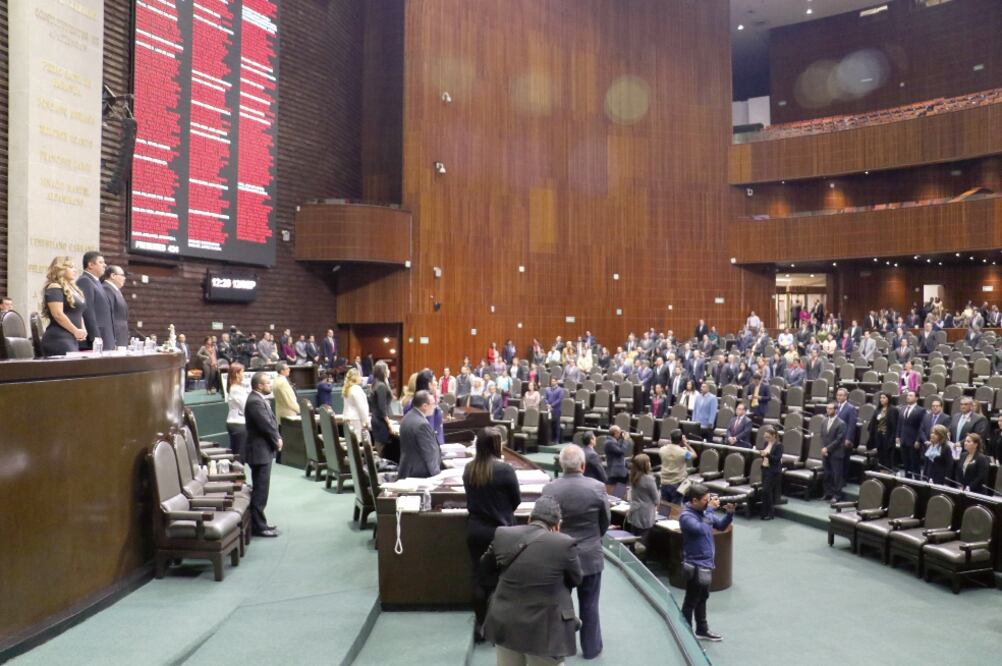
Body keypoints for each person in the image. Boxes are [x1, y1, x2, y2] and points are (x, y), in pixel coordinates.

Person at [481, 496, 581, 665]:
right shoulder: (564, 544)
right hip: (544, 630)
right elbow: (576, 579)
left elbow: (485, 568)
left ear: (529, 519)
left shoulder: (503, 534)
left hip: (506, 622)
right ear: (557, 526)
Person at [541, 445, 610, 660]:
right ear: (583, 465)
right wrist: (592, 538)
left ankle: (558, 648)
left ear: (561, 465)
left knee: (558, 605)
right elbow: (605, 522)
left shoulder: (550, 489)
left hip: (559, 556)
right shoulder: (597, 487)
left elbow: (545, 522)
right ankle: (591, 649)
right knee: (589, 605)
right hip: (590, 555)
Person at [463, 427, 521, 642]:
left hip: (476, 531)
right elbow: (516, 501)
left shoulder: (469, 469)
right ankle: (500, 627)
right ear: (497, 445)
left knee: (478, 577)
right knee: (502, 579)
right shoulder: (505, 470)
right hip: (502, 532)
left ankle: (480, 626)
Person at [679, 484, 735, 641]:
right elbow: (701, 529)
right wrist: (710, 510)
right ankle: (685, 633)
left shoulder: (704, 513)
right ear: (694, 500)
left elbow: (721, 526)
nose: (708, 502)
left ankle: (702, 630)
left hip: (705, 564)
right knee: (691, 600)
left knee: (702, 598)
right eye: (705, 500)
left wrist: (729, 514)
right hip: (695, 565)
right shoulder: (686, 516)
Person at [244, 372, 282, 537]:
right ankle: (258, 526)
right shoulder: (254, 401)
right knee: (260, 490)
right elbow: (266, 424)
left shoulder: (257, 399)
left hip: (263, 450)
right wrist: (277, 438)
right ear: (259, 385)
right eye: (267, 383)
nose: (270, 385)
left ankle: (260, 523)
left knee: (262, 489)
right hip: (259, 452)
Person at [40, 256, 88, 356]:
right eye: (70, 267)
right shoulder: (54, 287)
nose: (74, 270)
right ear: (61, 269)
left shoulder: (72, 288)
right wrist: (75, 330)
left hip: (71, 338)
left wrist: (82, 330)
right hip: (58, 339)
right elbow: (57, 314)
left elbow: (78, 312)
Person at [75, 251, 116, 349]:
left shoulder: (96, 282)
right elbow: (88, 311)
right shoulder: (84, 281)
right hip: (97, 339)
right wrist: (95, 337)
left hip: (106, 336)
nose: (105, 265)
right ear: (90, 265)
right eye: (101, 262)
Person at [397, 390, 442, 478]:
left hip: (407, 470)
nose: (435, 407)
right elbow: (429, 454)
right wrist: (437, 477)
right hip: (419, 475)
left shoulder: (407, 417)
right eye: (433, 404)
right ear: (425, 406)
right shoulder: (422, 425)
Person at [627, 454, 659, 555]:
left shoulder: (633, 475)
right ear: (645, 465)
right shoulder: (649, 479)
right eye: (648, 462)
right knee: (642, 545)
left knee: (633, 540)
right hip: (645, 514)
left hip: (634, 511)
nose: (650, 463)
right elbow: (656, 499)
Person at [659, 429, 696, 504]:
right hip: (677, 484)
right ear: (681, 440)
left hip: (664, 482)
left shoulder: (662, 450)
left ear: (670, 438)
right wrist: (686, 444)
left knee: (664, 508)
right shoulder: (683, 453)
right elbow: (694, 455)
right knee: (675, 511)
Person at [821, 402, 848, 501]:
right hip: (826, 452)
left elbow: (839, 440)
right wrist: (825, 449)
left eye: (830, 409)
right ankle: (828, 493)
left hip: (836, 453)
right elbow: (823, 437)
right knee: (827, 474)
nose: (828, 410)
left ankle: (837, 495)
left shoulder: (841, 423)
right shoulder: (824, 421)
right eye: (827, 408)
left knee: (836, 476)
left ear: (836, 410)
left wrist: (827, 448)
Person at [896, 390, 925, 478]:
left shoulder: (921, 410)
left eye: (911, 395)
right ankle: (907, 480)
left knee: (915, 463)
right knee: (906, 463)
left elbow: (921, 427)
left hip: (913, 441)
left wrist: (918, 440)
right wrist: (897, 435)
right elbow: (899, 423)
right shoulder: (903, 408)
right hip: (903, 440)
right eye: (908, 395)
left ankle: (916, 481)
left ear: (916, 398)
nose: (908, 397)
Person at [369, 361, 395, 457]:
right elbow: (382, 407)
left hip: (376, 419)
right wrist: (389, 424)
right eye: (387, 369)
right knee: (382, 448)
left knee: (379, 445)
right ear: (383, 371)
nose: (389, 371)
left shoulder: (376, 384)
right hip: (381, 421)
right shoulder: (381, 386)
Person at [868, 392, 899, 471]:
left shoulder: (893, 409)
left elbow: (895, 425)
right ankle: (880, 471)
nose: (882, 399)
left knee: (888, 457)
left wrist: (895, 437)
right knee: (880, 456)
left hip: (888, 437)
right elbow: (873, 423)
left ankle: (887, 472)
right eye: (881, 398)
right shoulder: (878, 409)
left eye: (884, 397)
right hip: (879, 436)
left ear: (888, 399)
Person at [758, 426, 783, 520]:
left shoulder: (779, 445)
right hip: (764, 469)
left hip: (773, 471)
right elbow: (764, 456)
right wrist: (762, 454)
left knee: (766, 491)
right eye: (765, 437)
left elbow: (777, 459)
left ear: (774, 436)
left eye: (768, 437)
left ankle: (770, 513)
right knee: (765, 492)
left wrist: (767, 455)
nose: (766, 438)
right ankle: (764, 513)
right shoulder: (766, 443)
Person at [101, 265, 129, 347]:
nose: (125, 278)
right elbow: (109, 315)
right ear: (113, 276)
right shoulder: (107, 289)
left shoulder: (115, 290)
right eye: (122, 275)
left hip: (121, 336)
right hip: (114, 337)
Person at [225, 362, 249, 460]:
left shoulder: (236, 388)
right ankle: (237, 474)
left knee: (237, 453)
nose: (244, 374)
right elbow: (245, 407)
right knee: (239, 455)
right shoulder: (236, 389)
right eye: (242, 372)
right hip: (238, 424)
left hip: (236, 423)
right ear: (237, 374)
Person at [341, 368, 370, 440]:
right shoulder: (356, 389)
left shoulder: (347, 388)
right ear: (356, 377)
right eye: (359, 375)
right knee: (358, 442)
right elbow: (361, 407)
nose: (361, 378)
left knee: (350, 442)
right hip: (356, 419)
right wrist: (366, 421)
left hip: (347, 418)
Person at [544, 377, 565, 443]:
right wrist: (547, 404)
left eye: (553, 381)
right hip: (548, 409)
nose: (552, 382)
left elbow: (559, 399)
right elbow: (545, 398)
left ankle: (557, 439)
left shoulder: (560, 390)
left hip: (556, 409)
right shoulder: (547, 389)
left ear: (556, 382)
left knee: (556, 425)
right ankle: (550, 439)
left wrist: (551, 405)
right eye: (551, 381)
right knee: (549, 425)